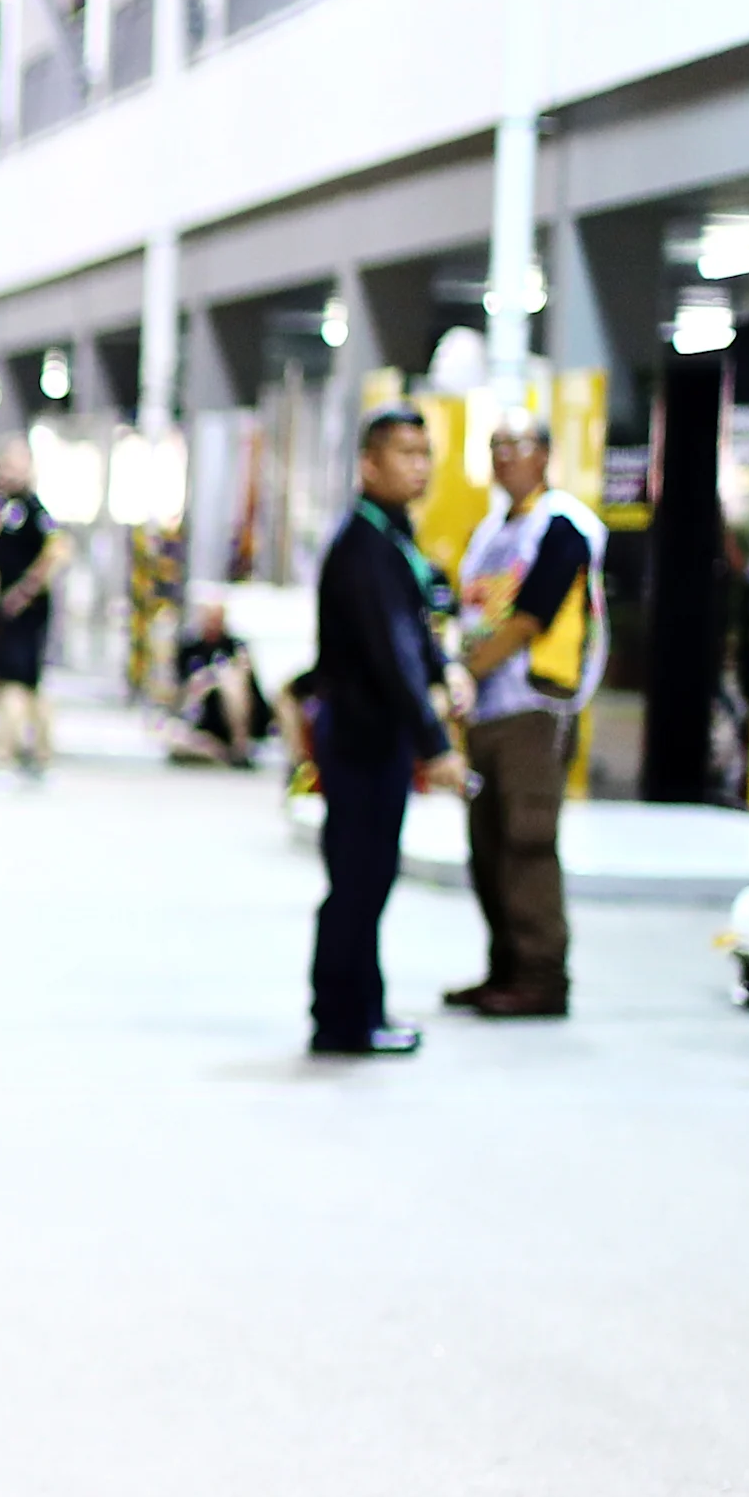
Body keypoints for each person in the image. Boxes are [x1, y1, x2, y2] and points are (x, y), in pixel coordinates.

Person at [302, 403, 464, 1055]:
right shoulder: (364, 545)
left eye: (425, 454)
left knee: (368, 879)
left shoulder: (391, 537)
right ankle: (342, 1019)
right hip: (361, 740)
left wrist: (446, 667)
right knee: (358, 880)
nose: (418, 467)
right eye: (405, 454)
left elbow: (414, 635)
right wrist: (437, 744)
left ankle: (360, 1011)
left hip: (375, 739)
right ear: (369, 463)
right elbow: (390, 653)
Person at [444, 419, 606, 1018]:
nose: (506, 459)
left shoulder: (563, 524)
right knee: (486, 845)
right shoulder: (490, 531)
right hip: (484, 711)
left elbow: (531, 615)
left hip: (534, 708)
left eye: (518, 447)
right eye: (496, 448)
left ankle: (540, 977)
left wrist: (470, 669)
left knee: (527, 841)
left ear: (546, 455)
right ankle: (503, 968)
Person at [0, 437, 68, 778]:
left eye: (17, 465)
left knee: (19, 683)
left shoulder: (35, 511)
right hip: (0, 610)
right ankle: (33, 752)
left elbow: (55, 555)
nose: (10, 471)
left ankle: (12, 753)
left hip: (25, 612)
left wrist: (24, 593)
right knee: (16, 682)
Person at [166, 598, 274, 766]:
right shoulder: (189, 648)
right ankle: (221, 753)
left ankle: (238, 745)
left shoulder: (235, 646)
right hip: (202, 717)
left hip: (234, 714)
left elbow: (247, 684)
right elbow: (179, 693)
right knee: (174, 739)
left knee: (231, 680)